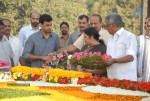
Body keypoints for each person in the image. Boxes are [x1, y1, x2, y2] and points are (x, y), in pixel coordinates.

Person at [105, 13, 137, 81]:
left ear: (113, 25)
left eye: (107, 26)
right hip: (111, 79)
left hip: (126, 80)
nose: (106, 28)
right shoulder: (110, 39)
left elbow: (130, 57)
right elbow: (109, 58)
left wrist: (114, 60)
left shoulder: (129, 36)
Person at [137, 17, 150, 82]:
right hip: (141, 80)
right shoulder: (139, 39)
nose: (149, 28)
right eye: (148, 26)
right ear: (145, 27)